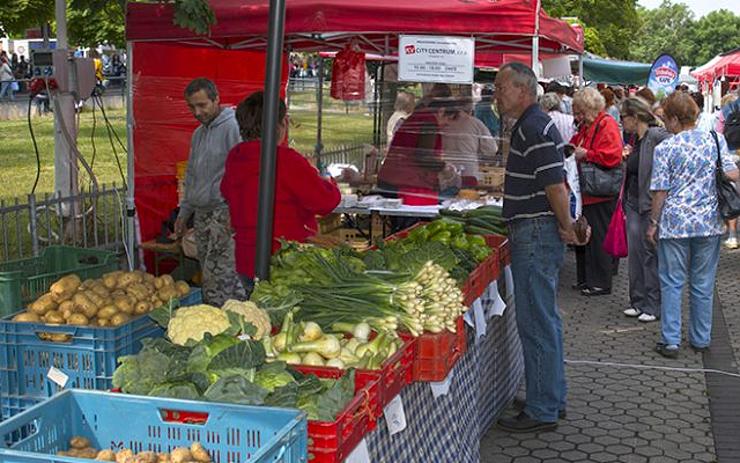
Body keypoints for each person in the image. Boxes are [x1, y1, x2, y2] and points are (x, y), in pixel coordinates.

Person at [494, 62, 588, 433]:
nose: (497, 94)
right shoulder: (535, 124)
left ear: (522, 90)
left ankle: (542, 408)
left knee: (535, 322)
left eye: (501, 87)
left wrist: (567, 226)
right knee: (544, 320)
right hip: (536, 229)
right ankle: (549, 394)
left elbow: (555, 185)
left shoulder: (533, 126)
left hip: (534, 231)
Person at [647, 91, 739, 358]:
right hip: (709, 222)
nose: (664, 123)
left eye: (666, 118)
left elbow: (660, 191)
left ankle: (671, 340)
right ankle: (701, 338)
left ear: (675, 119)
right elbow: (731, 174)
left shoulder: (666, 148)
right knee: (702, 282)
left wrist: (653, 222)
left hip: (675, 223)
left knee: (672, 281)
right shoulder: (715, 139)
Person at [221, 91, 341, 285]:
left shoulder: (236, 156)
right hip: (285, 259)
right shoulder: (286, 159)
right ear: (281, 124)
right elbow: (325, 201)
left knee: (255, 308)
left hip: (246, 257)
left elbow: (226, 191)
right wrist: (326, 178)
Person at [174, 78, 247, 305]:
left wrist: (236, 214)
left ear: (217, 100)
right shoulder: (198, 134)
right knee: (209, 274)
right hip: (202, 213)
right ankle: (218, 318)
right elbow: (192, 177)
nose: (197, 112)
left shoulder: (233, 127)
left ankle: (234, 320)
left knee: (224, 276)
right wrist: (184, 213)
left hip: (224, 212)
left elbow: (244, 173)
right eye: (191, 107)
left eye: (202, 105)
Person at [620, 97, 671, 323]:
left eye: (623, 117)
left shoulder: (656, 136)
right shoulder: (637, 139)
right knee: (636, 255)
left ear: (635, 116)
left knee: (650, 254)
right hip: (633, 202)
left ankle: (653, 304)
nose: (622, 122)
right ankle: (638, 301)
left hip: (648, 204)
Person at [570, 87, 623, 296]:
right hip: (588, 192)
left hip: (600, 192)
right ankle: (585, 278)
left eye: (580, 111)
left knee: (598, 237)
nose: (577, 116)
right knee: (585, 235)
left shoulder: (605, 123)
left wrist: (587, 154)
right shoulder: (590, 125)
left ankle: (600, 282)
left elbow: (613, 156)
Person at [377, 95, 460, 205]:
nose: (447, 123)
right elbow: (423, 157)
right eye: (448, 118)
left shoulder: (419, 118)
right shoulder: (429, 123)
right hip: (404, 183)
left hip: (393, 179)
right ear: (441, 111)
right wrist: (444, 167)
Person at [442, 96, 498, 185]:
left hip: (446, 173)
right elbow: (491, 149)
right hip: (469, 173)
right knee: (467, 196)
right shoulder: (475, 123)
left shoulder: (443, 123)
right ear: (471, 109)